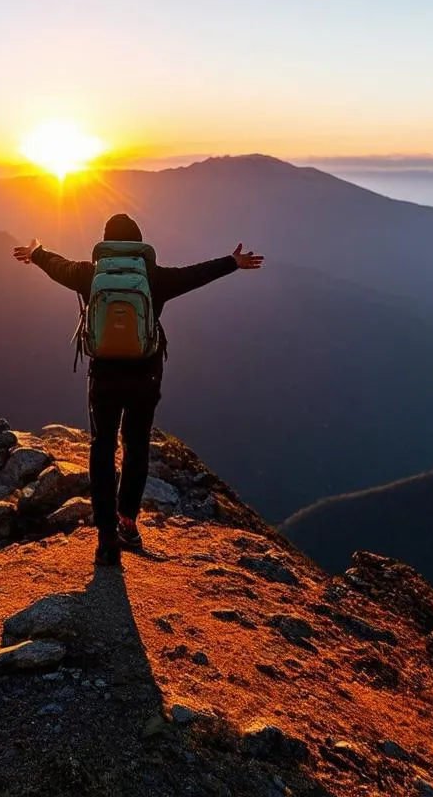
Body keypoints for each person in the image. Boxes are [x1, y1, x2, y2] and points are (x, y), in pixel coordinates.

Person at [13, 213, 264, 566]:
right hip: (145, 376)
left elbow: (60, 267)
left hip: (103, 377)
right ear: (138, 244)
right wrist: (231, 263)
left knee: (102, 447)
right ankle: (127, 522)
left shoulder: (90, 275)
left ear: (106, 242)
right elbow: (194, 274)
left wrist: (37, 252)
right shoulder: (154, 278)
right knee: (136, 445)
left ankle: (105, 538)